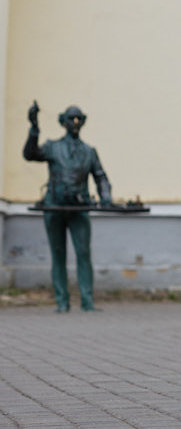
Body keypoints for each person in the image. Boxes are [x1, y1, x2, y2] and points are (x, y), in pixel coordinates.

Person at [23, 102, 111, 313]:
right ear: (62, 122)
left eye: (78, 118)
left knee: (83, 253)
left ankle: (87, 301)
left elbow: (100, 177)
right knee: (58, 254)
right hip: (54, 208)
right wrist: (34, 128)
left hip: (79, 209)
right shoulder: (52, 147)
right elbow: (30, 154)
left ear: (83, 122)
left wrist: (106, 197)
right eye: (71, 119)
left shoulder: (90, 152)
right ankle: (62, 302)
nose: (74, 123)